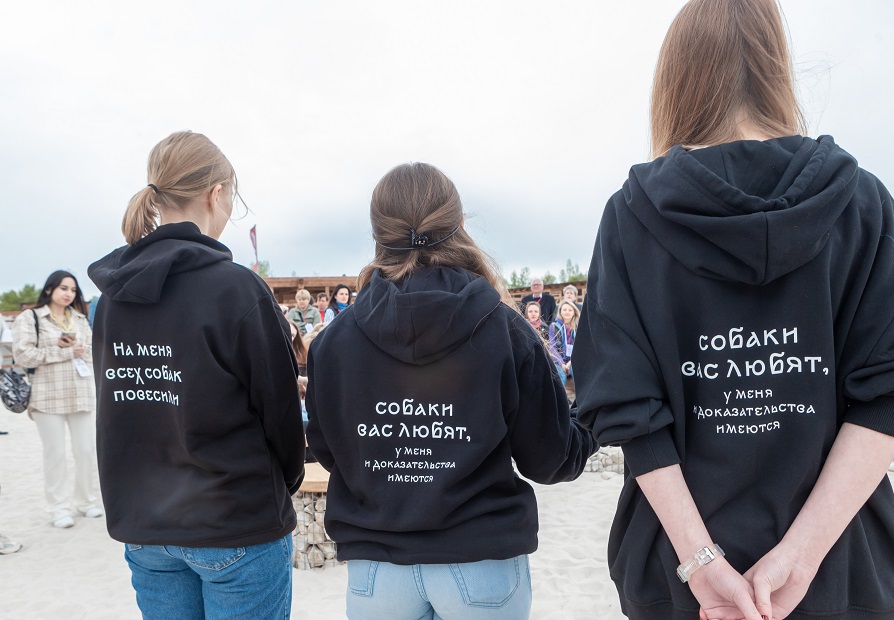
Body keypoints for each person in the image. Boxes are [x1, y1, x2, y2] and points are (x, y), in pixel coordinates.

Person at [572, 1, 894, 618]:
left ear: (674, 82)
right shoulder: (860, 203)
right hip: (842, 573)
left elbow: (626, 408)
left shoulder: (632, 217)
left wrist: (701, 561)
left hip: (679, 581)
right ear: (777, 68)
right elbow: (893, 390)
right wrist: (802, 555)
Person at [305, 162, 596, 620]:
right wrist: (591, 418)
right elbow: (550, 458)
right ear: (458, 224)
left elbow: (328, 448)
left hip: (378, 570)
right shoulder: (505, 330)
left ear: (378, 233)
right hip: (479, 561)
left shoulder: (333, 343)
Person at [87, 130, 305, 619]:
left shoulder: (110, 300)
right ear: (216, 193)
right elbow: (281, 412)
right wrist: (286, 482)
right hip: (234, 520)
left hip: (145, 522)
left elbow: (118, 409)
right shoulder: (237, 290)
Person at [12, 270, 100, 529]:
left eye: (73, 290)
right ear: (50, 289)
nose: (68, 294)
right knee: (56, 454)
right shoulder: (31, 318)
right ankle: (59, 508)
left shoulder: (80, 319)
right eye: (63, 288)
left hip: (81, 393)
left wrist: (79, 351)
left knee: (85, 452)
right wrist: (63, 352)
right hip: (47, 396)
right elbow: (23, 355)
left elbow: (92, 353)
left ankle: (85, 501)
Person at [549, 301, 578, 388]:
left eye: (570, 310)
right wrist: (562, 364)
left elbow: (579, 347)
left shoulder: (577, 327)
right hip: (558, 360)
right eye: (564, 309)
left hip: (573, 360)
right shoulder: (554, 326)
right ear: (560, 311)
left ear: (574, 312)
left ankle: (580, 396)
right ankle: (561, 397)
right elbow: (552, 347)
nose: (567, 312)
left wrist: (570, 363)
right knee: (561, 375)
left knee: (577, 372)